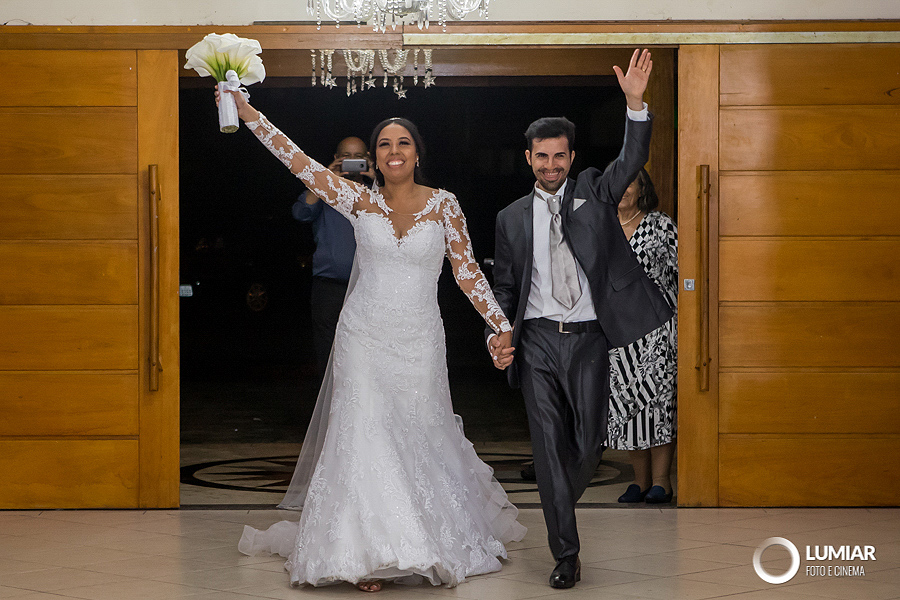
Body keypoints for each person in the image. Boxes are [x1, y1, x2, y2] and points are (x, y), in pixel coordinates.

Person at [217, 88, 526, 592]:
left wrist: (499, 324)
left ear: (418, 153)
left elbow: (467, 271)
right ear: (375, 159)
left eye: (403, 142)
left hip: (419, 340)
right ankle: (362, 554)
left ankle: (421, 540)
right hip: (362, 337)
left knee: (420, 434)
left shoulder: (445, 205)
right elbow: (297, 162)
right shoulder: (358, 200)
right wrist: (248, 112)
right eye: (384, 144)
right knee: (363, 434)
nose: (393, 151)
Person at [487, 49, 673, 589]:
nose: (551, 165)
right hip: (538, 342)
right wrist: (498, 333)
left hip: (589, 338)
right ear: (528, 158)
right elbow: (504, 288)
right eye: (542, 157)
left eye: (560, 156)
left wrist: (635, 104)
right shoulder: (509, 218)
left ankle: (556, 500)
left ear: (572, 157)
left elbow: (631, 159)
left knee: (591, 444)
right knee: (548, 446)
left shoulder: (595, 191)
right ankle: (565, 554)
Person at [607, 168, 678, 504]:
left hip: (658, 330)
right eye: (618, 183)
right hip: (619, 333)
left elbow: (685, 270)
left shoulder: (661, 225)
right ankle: (639, 481)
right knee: (629, 407)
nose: (624, 189)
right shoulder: (604, 227)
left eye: (630, 183)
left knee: (659, 404)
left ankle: (662, 481)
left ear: (642, 189)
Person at [292, 136, 373, 375]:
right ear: (337, 158)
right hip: (328, 287)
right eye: (346, 157)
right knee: (328, 354)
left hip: (368, 287)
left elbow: (398, 217)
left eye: (358, 157)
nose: (352, 162)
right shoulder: (324, 190)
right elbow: (301, 213)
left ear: (368, 159)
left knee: (367, 353)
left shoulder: (378, 193)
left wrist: (377, 178)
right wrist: (324, 176)